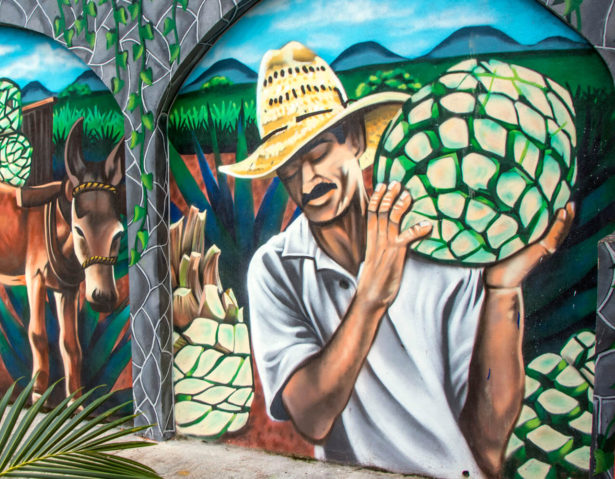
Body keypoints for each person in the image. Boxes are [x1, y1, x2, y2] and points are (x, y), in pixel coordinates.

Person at [218, 41, 574, 478]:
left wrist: (502, 288)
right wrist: (370, 297)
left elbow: (489, 436)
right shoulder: (276, 269)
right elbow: (311, 418)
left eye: (318, 154)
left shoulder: (440, 245)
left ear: (355, 139)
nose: (307, 179)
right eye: (288, 168)